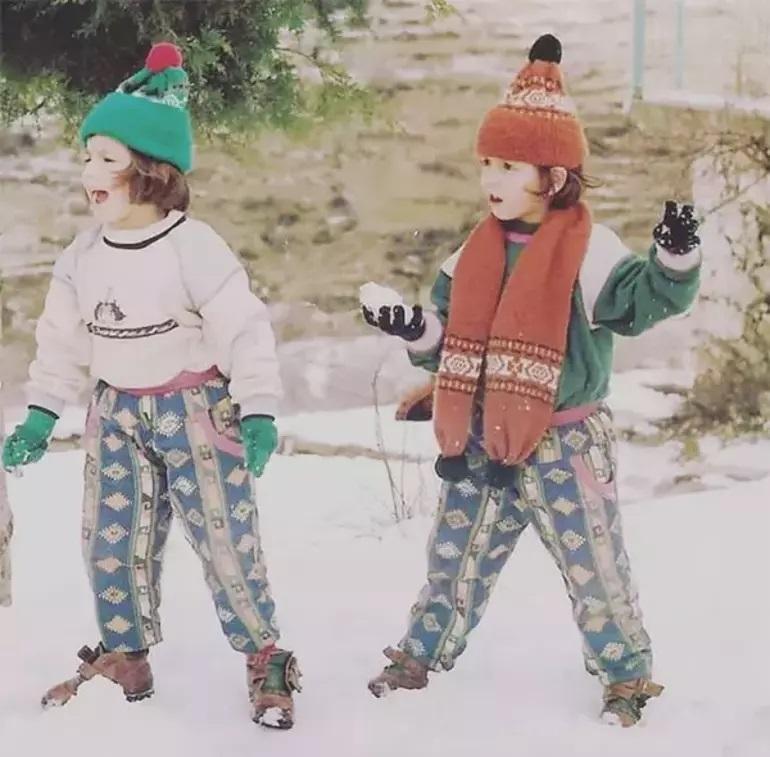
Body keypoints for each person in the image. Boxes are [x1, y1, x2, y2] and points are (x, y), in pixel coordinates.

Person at [361, 34, 702, 727]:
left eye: (509, 165)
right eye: (487, 162)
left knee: (593, 565)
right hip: (480, 435)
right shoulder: (475, 250)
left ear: (552, 175)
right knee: (455, 555)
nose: (491, 177)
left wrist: (673, 259)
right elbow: (448, 344)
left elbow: (642, 302)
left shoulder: (588, 250)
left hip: (566, 441)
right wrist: (412, 327)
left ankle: (626, 675)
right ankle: (420, 655)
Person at [1, 42, 300, 730]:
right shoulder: (81, 256)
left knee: (224, 539)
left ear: (152, 171)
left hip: (195, 410)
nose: (90, 172)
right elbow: (61, 341)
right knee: (111, 538)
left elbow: (243, 326)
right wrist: (42, 414)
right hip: (116, 413)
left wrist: (257, 407)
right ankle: (125, 652)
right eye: (86, 157)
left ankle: (265, 654)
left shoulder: (194, 246)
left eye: (107, 158)